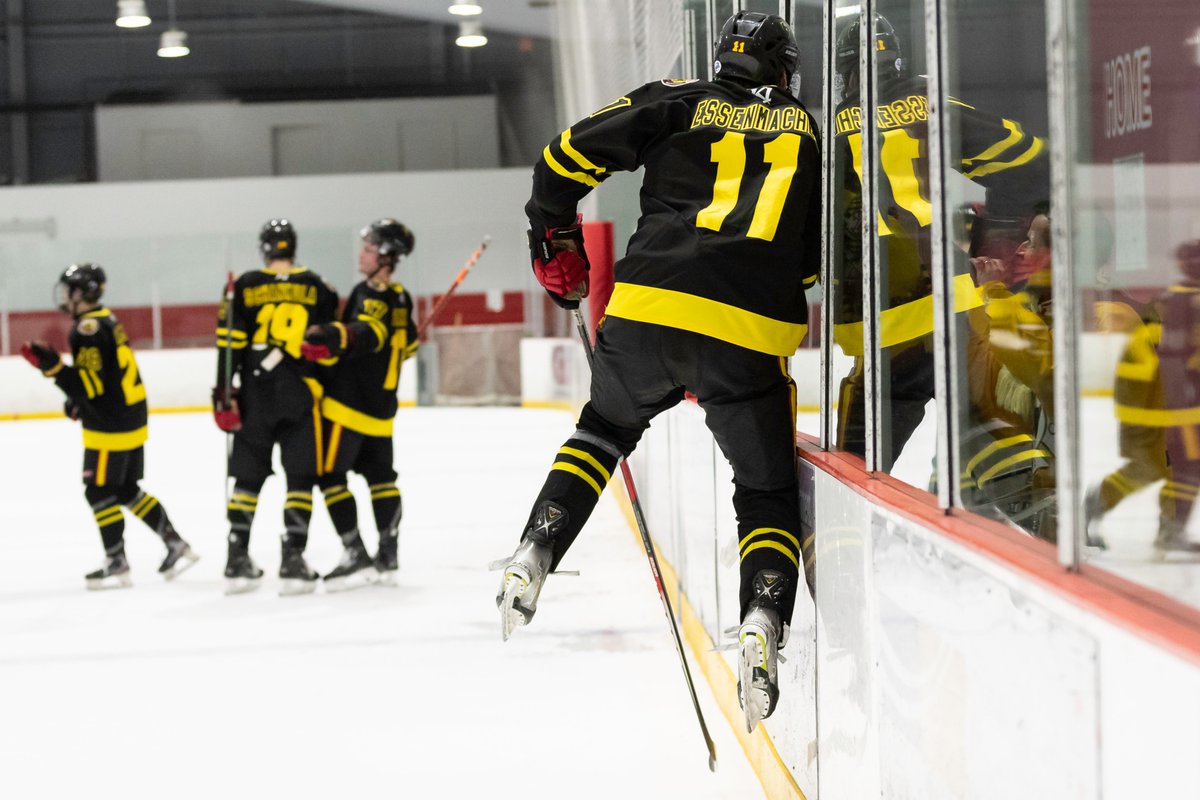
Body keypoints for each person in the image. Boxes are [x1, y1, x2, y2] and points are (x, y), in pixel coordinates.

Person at [493, 11, 820, 732]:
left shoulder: (677, 98)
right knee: (765, 491)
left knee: (603, 431)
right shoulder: (806, 128)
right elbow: (809, 261)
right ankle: (764, 615)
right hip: (748, 330)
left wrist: (553, 235)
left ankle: (537, 546)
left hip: (647, 310)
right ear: (783, 71)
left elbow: (560, 159)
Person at [831, 14, 1050, 474]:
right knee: (992, 436)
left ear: (845, 69)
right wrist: (1003, 227)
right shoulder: (928, 103)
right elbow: (1029, 156)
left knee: (851, 473)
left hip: (883, 313)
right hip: (953, 299)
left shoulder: (829, 131)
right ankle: (1025, 517)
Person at [21, 263, 197, 589]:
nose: (63, 296)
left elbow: (90, 386)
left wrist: (52, 367)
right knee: (126, 489)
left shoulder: (86, 329)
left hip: (110, 425)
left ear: (83, 293)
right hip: (129, 417)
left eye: (69, 290)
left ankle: (116, 560)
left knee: (99, 491)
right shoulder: (106, 319)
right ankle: (174, 541)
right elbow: (106, 376)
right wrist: (78, 401)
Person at [212, 219, 339, 594]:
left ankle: (236, 558)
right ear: (293, 247)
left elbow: (228, 345)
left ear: (265, 249)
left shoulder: (242, 287)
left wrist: (223, 393)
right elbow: (330, 347)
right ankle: (293, 560)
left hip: (254, 393)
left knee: (247, 477)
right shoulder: (318, 286)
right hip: (300, 392)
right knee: (300, 477)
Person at [300, 219, 418, 589]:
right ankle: (388, 553)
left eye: (368, 248)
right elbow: (406, 344)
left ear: (385, 255)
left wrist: (331, 335)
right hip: (381, 411)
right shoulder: (400, 296)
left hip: (349, 408)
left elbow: (368, 333)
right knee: (381, 479)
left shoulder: (371, 295)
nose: (361, 253)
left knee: (330, 478)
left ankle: (354, 552)